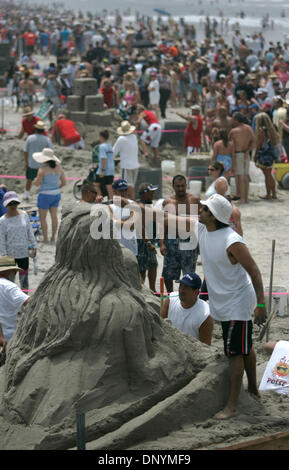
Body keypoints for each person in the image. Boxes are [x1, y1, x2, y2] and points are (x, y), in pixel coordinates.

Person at [196, 194, 267, 419]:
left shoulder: (232, 241)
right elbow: (167, 218)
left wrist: (261, 304)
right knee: (245, 346)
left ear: (214, 215)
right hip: (225, 302)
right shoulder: (202, 230)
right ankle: (253, 389)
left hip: (237, 301)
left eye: (204, 208)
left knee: (234, 352)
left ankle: (232, 406)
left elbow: (254, 271)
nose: (200, 210)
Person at [160, 174, 200, 293]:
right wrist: (162, 243)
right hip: (171, 240)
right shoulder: (168, 202)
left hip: (189, 240)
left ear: (186, 185)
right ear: (173, 186)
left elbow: (201, 222)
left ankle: (186, 296)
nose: (181, 189)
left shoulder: (194, 200)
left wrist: (200, 243)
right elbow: (163, 224)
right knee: (168, 272)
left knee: (189, 273)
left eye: (183, 186)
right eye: (178, 186)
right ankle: (171, 295)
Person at [161, 271, 214, 346]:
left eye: (186, 287)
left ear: (196, 292)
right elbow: (161, 328)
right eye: (180, 286)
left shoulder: (205, 315)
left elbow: (205, 347)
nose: (181, 290)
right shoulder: (170, 301)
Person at [0, 191, 37, 290]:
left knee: (24, 280)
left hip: (23, 253)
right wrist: (4, 256)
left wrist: (34, 246)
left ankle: (25, 301)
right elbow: (2, 240)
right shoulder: (2, 221)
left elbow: (29, 231)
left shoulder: (24, 215)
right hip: (10, 256)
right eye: (10, 203)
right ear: (6, 205)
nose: (13, 205)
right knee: (10, 282)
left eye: (15, 203)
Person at [33, 148, 66, 243]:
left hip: (45, 195)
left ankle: (46, 238)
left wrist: (35, 181)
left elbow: (37, 183)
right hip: (56, 194)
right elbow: (64, 183)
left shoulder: (42, 169)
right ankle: (53, 238)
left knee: (43, 218)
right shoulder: (59, 168)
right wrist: (55, 187)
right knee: (54, 216)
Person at [0, 256, 30, 350]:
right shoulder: (10, 287)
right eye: (14, 271)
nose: (14, 274)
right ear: (7, 272)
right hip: (6, 336)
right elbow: (30, 303)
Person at [136, 182, 159, 292]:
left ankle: (152, 290)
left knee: (153, 264)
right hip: (142, 241)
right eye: (151, 191)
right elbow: (141, 226)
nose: (153, 193)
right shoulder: (139, 206)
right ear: (144, 194)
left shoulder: (149, 204)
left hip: (151, 239)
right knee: (142, 268)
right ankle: (142, 291)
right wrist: (148, 242)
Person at [23, 121, 53, 201]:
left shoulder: (30, 138)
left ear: (35, 129)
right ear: (43, 130)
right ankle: (42, 196)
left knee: (29, 179)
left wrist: (26, 162)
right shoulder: (47, 140)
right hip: (43, 165)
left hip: (31, 163)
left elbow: (25, 151)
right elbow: (51, 151)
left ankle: (26, 195)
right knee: (43, 181)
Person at [229, 112, 255, 204]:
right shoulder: (248, 128)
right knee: (245, 176)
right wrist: (248, 150)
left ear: (236, 120)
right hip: (246, 154)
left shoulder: (234, 131)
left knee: (240, 177)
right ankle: (245, 198)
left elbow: (230, 145)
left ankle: (242, 198)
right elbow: (253, 142)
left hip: (238, 154)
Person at [108, 179, 138, 256]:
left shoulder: (133, 204)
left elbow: (132, 225)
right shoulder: (110, 206)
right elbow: (111, 223)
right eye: (121, 191)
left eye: (125, 190)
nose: (124, 193)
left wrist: (116, 221)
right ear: (114, 191)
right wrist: (127, 221)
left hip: (131, 247)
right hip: (116, 248)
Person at [254, 112, 279, 200]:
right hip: (270, 154)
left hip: (264, 154)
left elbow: (259, 143)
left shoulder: (261, 130)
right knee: (270, 175)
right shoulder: (271, 129)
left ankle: (268, 194)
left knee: (267, 175)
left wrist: (255, 154)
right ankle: (274, 193)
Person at [112, 121, 139, 200]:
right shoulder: (134, 137)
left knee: (126, 186)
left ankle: (129, 203)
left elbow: (113, 152)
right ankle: (131, 202)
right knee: (132, 186)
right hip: (135, 165)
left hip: (126, 166)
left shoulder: (121, 139)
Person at [95, 130, 114, 199]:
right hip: (111, 169)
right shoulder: (110, 146)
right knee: (109, 185)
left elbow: (104, 158)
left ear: (101, 137)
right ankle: (111, 201)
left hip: (104, 169)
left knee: (96, 185)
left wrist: (102, 170)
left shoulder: (102, 146)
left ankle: (100, 199)